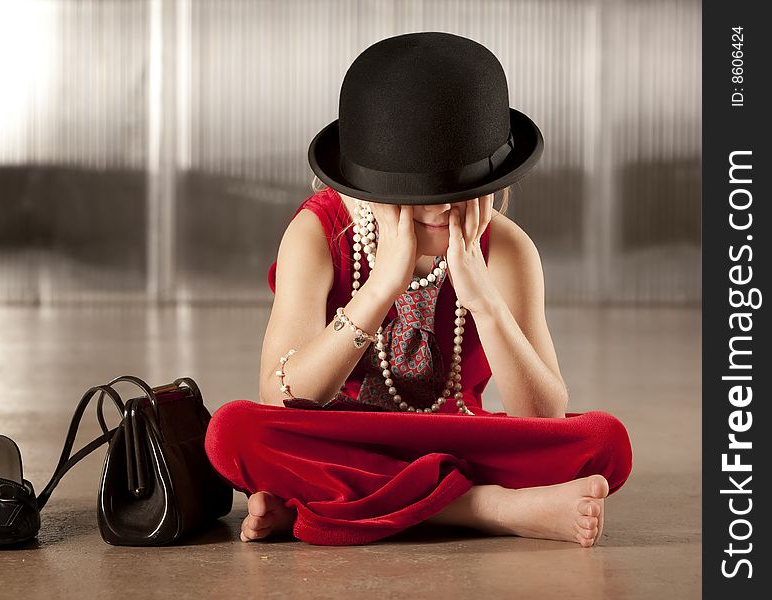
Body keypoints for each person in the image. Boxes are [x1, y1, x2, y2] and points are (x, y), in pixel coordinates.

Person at [204, 32, 632, 547]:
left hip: (455, 435)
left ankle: (323, 501)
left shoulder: (508, 250)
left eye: (461, 192)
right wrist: (381, 286)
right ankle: (486, 508)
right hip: (343, 437)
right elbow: (282, 396)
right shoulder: (318, 233)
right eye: (412, 194)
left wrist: (484, 301)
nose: (440, 210)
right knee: (233, 433)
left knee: (606, 442)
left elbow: (541, 419)